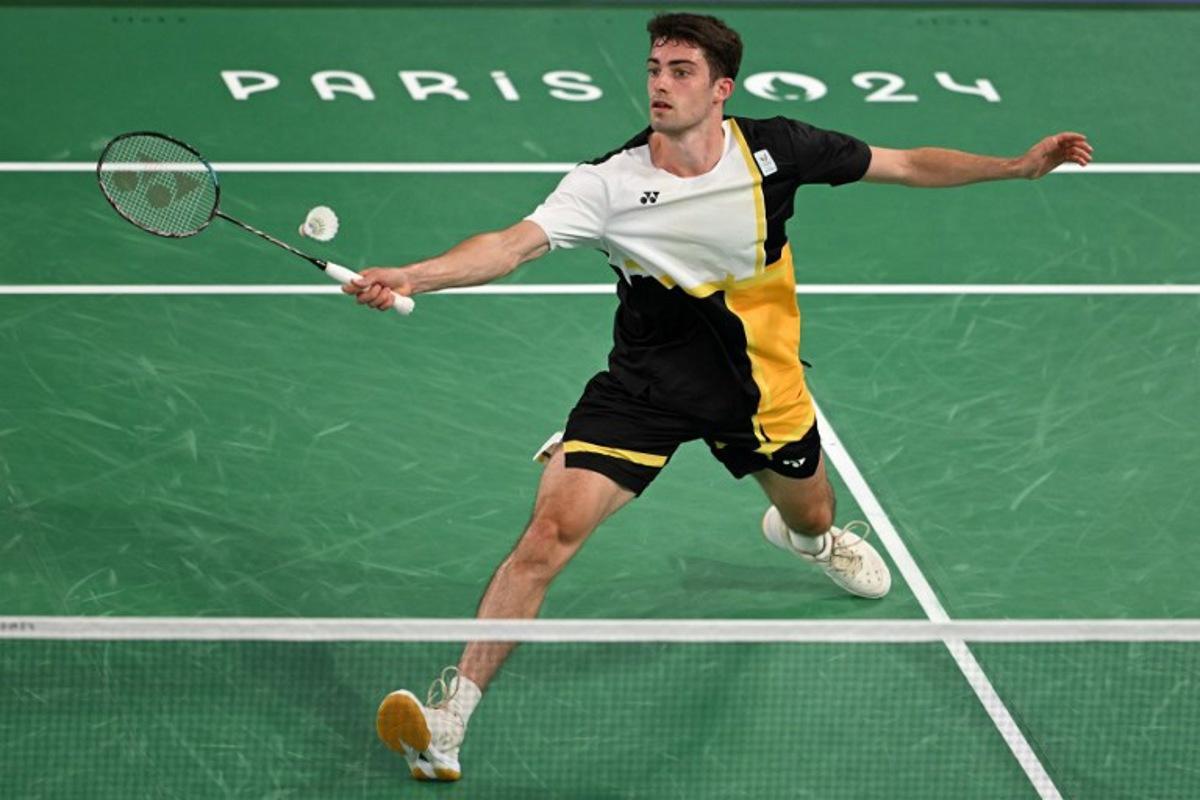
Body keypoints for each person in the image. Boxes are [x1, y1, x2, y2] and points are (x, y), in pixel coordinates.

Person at [346, 12, 1092, 783]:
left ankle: (808, 542)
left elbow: (904, 163)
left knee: (813, 515)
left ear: (721, 87)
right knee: (547, 536)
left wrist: (1014, 166)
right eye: (654, 68)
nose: (661, 84)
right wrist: (416, 275)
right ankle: (448, 720)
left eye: (681, 71)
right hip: (642, 392)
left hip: (760, 393)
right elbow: (508, 245)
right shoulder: (606, 183)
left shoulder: (777, 151)